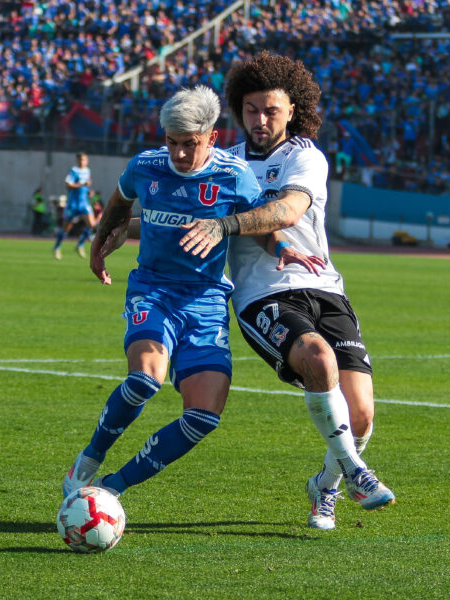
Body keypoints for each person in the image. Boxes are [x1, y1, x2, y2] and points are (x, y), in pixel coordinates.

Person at [63, 85, 318, 500]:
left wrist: (284, 247)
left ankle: (110, 491)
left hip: (206, 299)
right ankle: (90, 457)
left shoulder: (234, 176)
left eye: (189, 144)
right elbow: (119, 202)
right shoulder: (145, 166)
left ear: (212, 137)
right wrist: (100, 242)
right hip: (153, 291)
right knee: (145, 379)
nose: (178, 154)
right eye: (172, 143)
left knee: (203, 416)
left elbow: (260, 226)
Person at [186, 51, 396, 528]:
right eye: (252, 110)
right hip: (262, 295)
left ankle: (325, 486)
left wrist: (226, 225)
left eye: (272, 110)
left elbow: (286, 212)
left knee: (360, 413)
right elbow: (179, 218)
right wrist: (120, 226)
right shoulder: (219, 164)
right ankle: (358, 472)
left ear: (292, 110)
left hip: (324, 288)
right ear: (239, 110)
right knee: (318, 361)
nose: (261, 120)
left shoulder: (304, 155)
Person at [53, 152, 95, 259]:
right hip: (73, 204)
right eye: (80, 160)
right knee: (67, 228)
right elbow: (68, 185)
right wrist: (82, 185)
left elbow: (86, 185)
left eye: (84, 160)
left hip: (84, 202)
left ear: (87, 161)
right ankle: (57, 247)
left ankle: (80, 244)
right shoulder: (73, 171)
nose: (82, 162)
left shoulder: (88, 171)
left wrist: (88, 192)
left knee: (92, 224)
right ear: (77, 161)